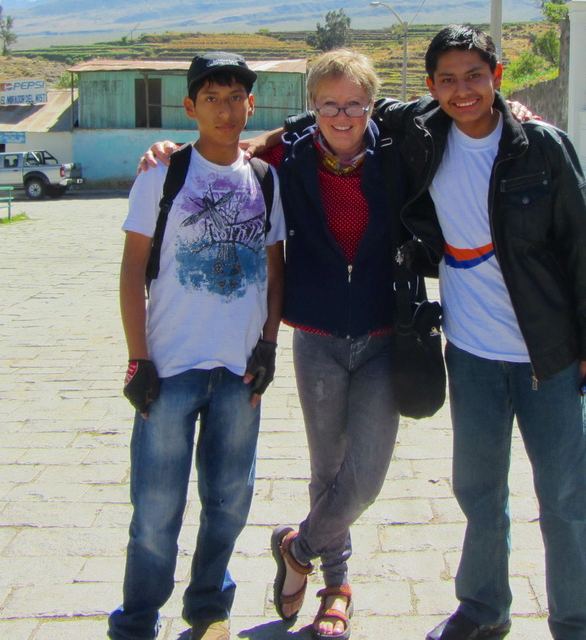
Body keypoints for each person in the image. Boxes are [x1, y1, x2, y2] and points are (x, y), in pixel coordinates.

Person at [140, 49, 407, 640]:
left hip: (385, 332)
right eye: (329, 104)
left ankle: (297, 547)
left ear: (372, 104)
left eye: (355, 103)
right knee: (327, 470)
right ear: (312, 108)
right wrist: (164, 152)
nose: (343, 115)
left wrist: (516, 112)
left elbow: (448, 110)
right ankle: (336, 588)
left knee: (365, 477)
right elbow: (225, 154)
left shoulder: (400, 149)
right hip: (315, 335)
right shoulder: (285, 156)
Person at [379, 25, 586, 640]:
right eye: (448, 80)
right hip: (471, 351)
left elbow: (585, 246)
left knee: (565, 497)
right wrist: (245, 145)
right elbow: (344, 104)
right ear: (430, 87)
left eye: (475, 76)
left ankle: (578, 625)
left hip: (549, 355)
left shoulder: (542, 146)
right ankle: (483, 611)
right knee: (479, 491)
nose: (463, 91)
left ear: (498, 77)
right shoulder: (423, 135)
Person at [109, 51, 287, 640]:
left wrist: (267, 346)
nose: (225, 109)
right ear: (190, 107)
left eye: (236, 97)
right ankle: (137, 620)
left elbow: (274, 265)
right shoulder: (163, 173)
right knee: (156, 511)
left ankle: (209, 607)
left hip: (239, 373)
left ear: (251, 105)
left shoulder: (264, 177)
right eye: (211, 98)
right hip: (172, 367)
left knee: (230, 500)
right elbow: (134, 268)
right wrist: (139, 358)